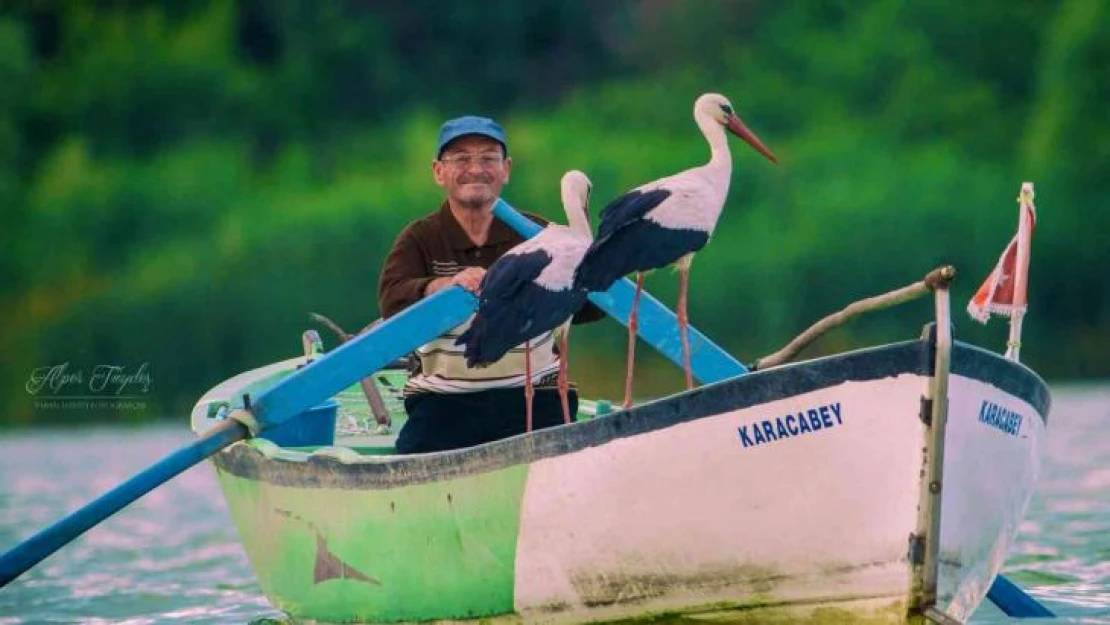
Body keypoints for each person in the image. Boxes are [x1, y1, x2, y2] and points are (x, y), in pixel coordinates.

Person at [378, 115, 603, 454]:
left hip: (535, 391)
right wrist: (443, 286)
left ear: (506, 169)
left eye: (487, 158)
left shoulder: (538, 233)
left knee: (567, 453)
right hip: (445, 398)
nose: (476, 168)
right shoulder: (420, 238)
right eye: (461, 159)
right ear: (439, 172)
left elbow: (591, 308)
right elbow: (391, 303)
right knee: (415, 457)